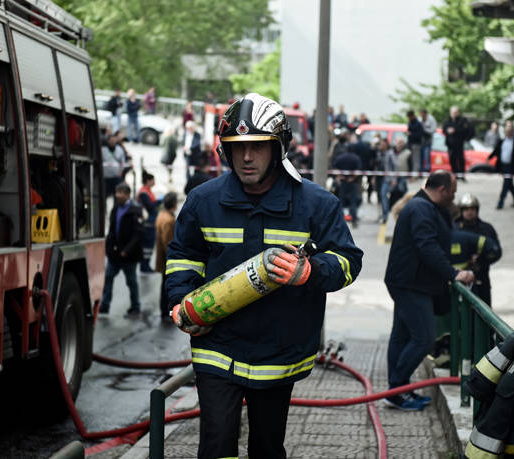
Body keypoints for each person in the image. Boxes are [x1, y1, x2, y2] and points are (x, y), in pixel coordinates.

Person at [165, 93, 363, 458]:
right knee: (216, 442)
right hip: (217, 345)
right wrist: (179, 301)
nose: (246, 157)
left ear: (278, 148)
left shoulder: (316, 204)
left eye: (257, 146)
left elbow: (349, 261)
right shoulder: (202, 201)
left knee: (267, 447)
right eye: (236, 147)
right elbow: (183, 257)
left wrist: (311, 271)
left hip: (279, 350)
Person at [384, 170, 474, 411]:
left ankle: (397, 391)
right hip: (412, 284)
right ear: (442, 189)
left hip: (409, 281)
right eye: (452, 192)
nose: (453, 198)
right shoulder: (421, 209)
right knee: (423, 339)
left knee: (402, 336)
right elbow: (428, 247)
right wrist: (454, 274)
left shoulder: (424, 207)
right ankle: (396, 388)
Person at [101, 183, 144, 317]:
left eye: (120, 193)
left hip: (129, 255)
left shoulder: (135, 211)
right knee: (108, 277)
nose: (117, 195)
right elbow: (112, 231)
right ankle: (104, 305)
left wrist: (127, 250)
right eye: (116, 192)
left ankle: (135, 307)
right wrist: (108, 248)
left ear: (127, 195)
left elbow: (138, 234)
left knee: (131, 281)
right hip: (115, 254)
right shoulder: (115, 209)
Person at [455, 193, 501, 305]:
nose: (469, 212)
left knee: (483, 313)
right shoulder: (453, 228)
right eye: (466, 209)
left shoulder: (486, 229)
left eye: (472, 208)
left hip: (481, 278)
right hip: (459, 279)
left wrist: (481, 261)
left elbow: (497, 252)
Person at [488, 120, 514, 209]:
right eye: (506, 131)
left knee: (506, 183)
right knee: (509, 183)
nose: (508, 133)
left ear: (513, 132)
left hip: (512, 166)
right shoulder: (502, 141)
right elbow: (496, 151)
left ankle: (501, 202)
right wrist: (489, 157)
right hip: (503, 165)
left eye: (510, 131)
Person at [155, 192, 178, 323]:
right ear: (174, 205)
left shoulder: (162, 215)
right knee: (167, 288)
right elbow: (168, 242)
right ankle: (165, 313)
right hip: (167, 261)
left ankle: (163, 311)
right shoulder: (169, 220)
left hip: (161, 258)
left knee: (163, 286)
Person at [332, 144, 363, 228]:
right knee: (353, 202)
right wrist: (352, 178)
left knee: (341, 201)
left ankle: (340, 221)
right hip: (353, 183)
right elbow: (359, 170)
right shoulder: (356, 158)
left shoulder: (341, 157)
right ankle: (354, 220)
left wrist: (340, 176)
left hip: (343, 182)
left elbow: (334, 167)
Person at [137, 171, 161, 273]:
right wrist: (159, 201)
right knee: (147, 245)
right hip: (147, 224)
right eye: (153, 180)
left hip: (150, 222)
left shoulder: (147, 191)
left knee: (149, 245)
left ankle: (146, 265)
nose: (154, 182)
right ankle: (144, 265)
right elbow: (150, 207)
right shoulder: (144, 193)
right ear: (148, 181)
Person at [442, 106, 473, 180]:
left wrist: (455, 130)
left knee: (460, 159)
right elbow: (444, 130)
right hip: (450, 145)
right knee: (452, 160)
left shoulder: (462, 121)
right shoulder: (447, 121)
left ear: (458, 113)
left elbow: (466, 130)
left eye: (455, 112)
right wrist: (447, 131)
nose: (454, 114)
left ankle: (462, 175)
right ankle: (455, 175)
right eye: (452, 112)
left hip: (459, 144)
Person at [101, 133, 127, 197]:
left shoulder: (120, 150)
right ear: (108, 141)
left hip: (116, 177)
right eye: (111, 140)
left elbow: (122, 163)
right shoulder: (103, 150)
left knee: (117, 195)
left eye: (114, 140)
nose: (113, 142)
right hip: (105, 178)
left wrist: (120, 173)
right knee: (105, 195)